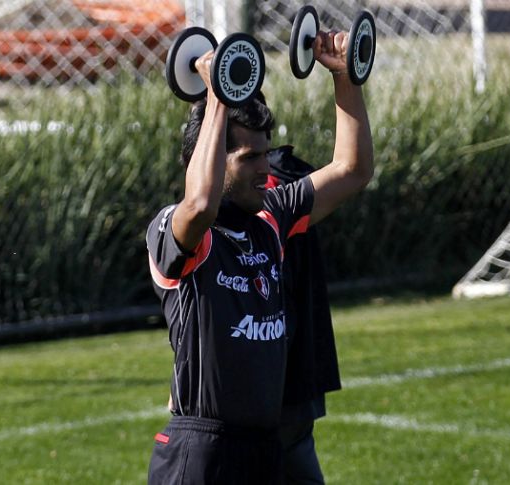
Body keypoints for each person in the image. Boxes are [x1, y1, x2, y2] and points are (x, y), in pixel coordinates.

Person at [145, 29, 373, 485]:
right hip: (202, 451)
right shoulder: (177, 228)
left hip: (264, 447)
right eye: (250, 158)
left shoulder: (272, 216)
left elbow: (353, 170)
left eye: (265, 154)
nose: (265, 169)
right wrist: (218, 98)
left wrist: (345, 79)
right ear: (207, 158)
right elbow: (201, 203)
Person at [266, 146, 341, 485]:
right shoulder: (285, 184)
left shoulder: (267, 194)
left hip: (271, 383)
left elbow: (353, 169)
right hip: (293, 374)